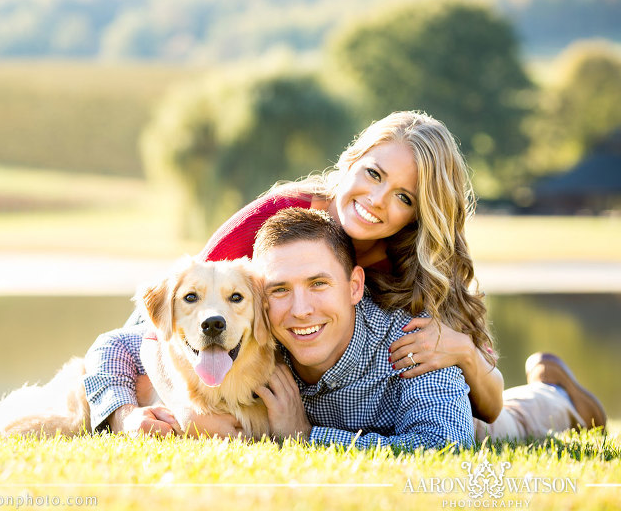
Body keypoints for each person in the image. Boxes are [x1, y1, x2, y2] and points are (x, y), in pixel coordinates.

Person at [97, 110, 604, 439]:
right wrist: (189, 411)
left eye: (404, 197)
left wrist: (467, 354)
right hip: (297, 395)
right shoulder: (273, 225)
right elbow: (159, 330)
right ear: (351, 162)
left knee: (492, 429)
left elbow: (484, 405)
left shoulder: (415, 272)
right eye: (374, 174)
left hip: (391, 398)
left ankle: (557, 399)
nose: (377, 201)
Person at [87, 208, 475, 448]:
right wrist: (129, 415)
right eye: (280, 290)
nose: (301, 311)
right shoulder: (264, 334)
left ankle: (540, 390)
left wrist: (305, 436)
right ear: (263, 300)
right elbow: (116, 345)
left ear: (355, 286)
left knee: (516, 415)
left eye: (319, 284)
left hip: (487, 414)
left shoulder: (414, 344)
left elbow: (445, 447)